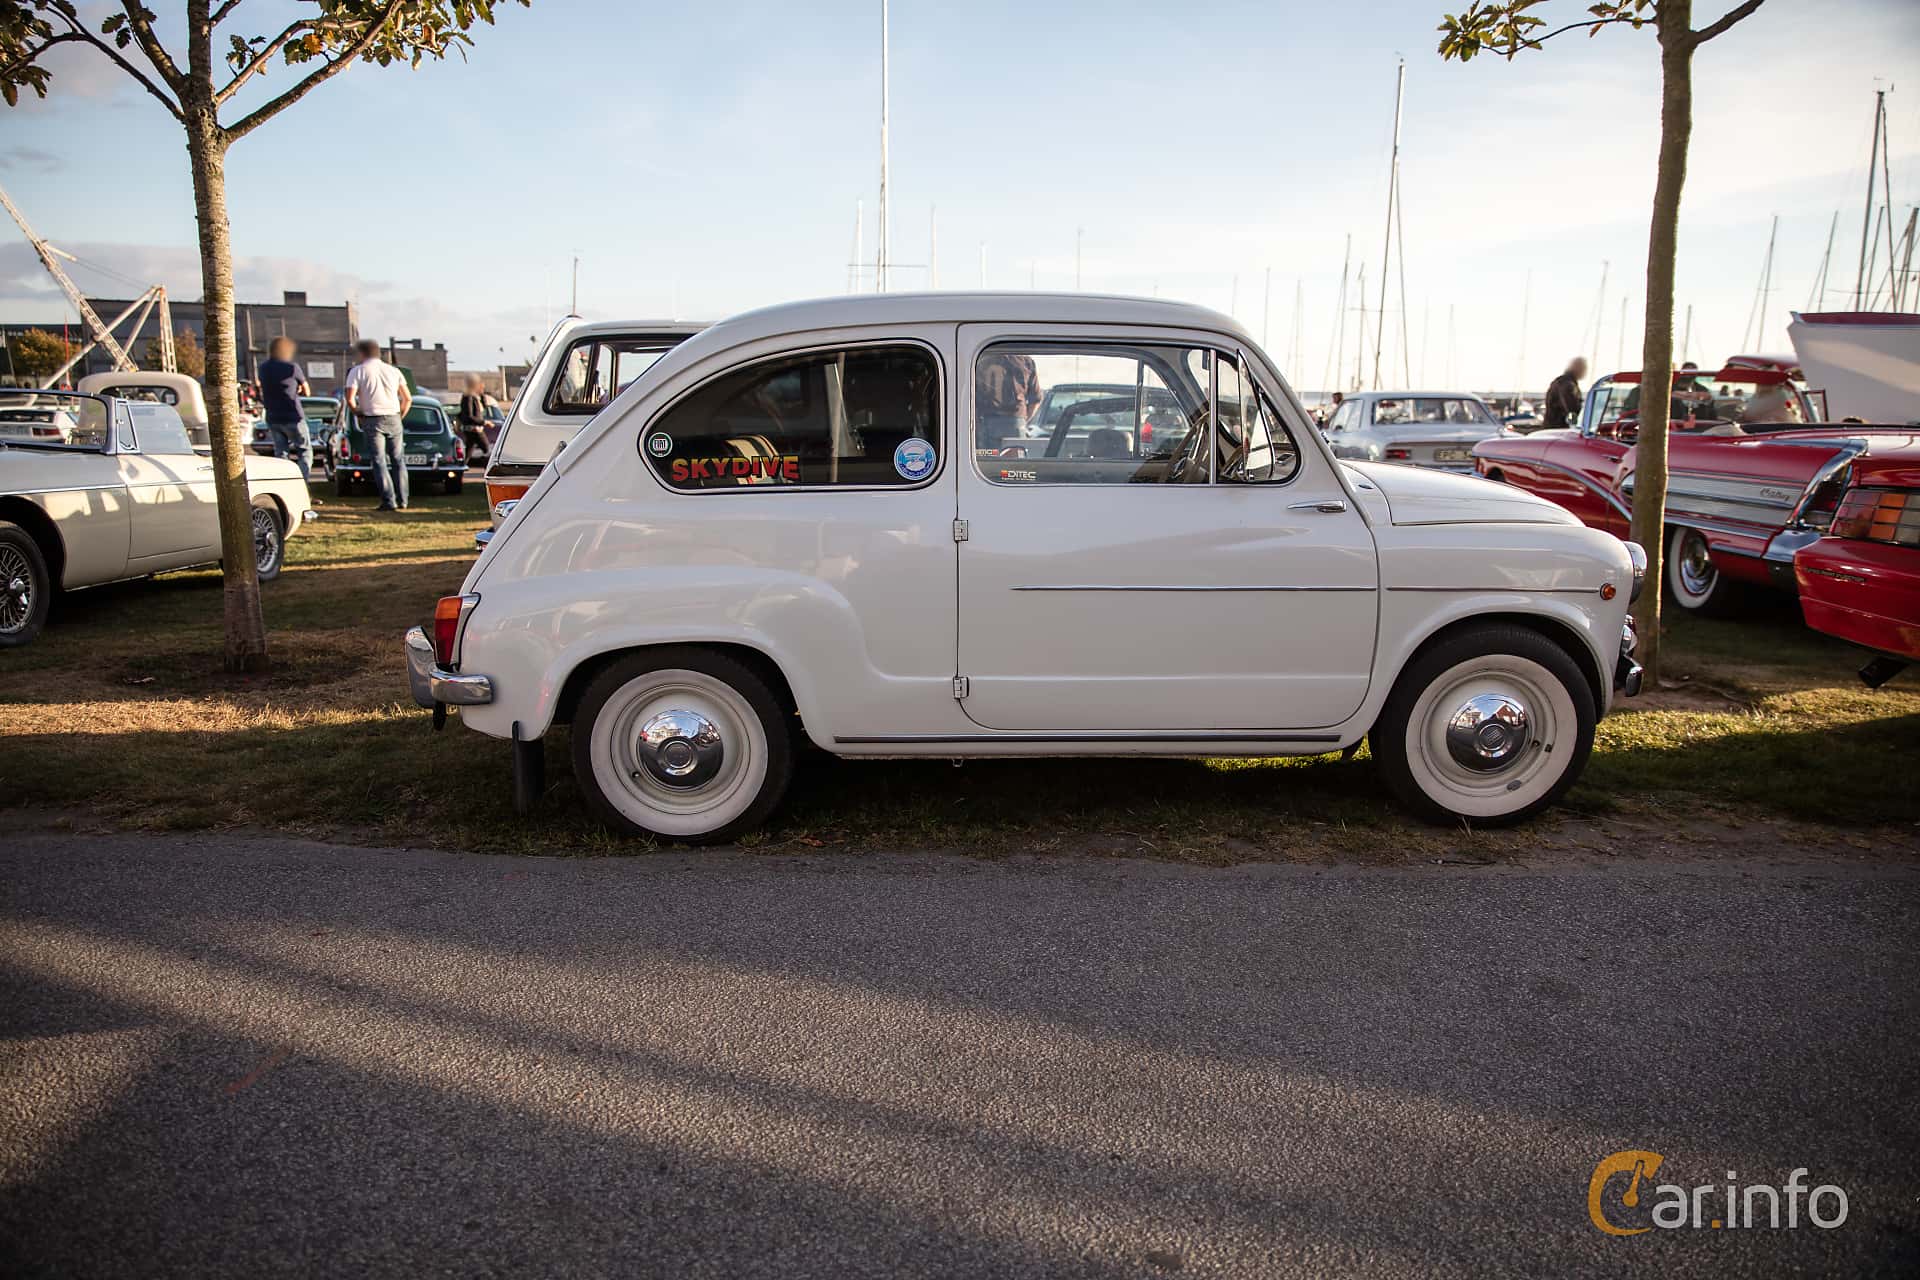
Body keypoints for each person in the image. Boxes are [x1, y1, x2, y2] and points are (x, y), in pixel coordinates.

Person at [344, 338, 413, 511]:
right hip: (394, 416)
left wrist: (358, 413)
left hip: (372, 418)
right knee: (398, 460)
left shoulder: (357, 371)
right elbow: (407, 398)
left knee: (379, 461)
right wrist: (400, 416)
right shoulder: (393, 371)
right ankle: (403, 499)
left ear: (362, 353)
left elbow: (350, 399)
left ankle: (389, 500)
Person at [254, 337, 312, 479]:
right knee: (304, 451)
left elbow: (260, 389)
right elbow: (307, 392)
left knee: (281, 453)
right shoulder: (292, 368)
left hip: (273, 417)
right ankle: (302, 483)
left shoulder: (263, 368)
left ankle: (285, 483)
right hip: (293, 416)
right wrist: (297, 389)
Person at [974, 350, 1041, 451]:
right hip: (1015, 422)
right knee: (1014, 465)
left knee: (987, 463)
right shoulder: (1025, 361)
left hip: (987, 421)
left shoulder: (981, 361)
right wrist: (1023, 421)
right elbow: (1035, 400)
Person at [1543, 357, 1587, 431]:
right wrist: (1576, 425)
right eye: (1584, 369)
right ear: (1578, 368)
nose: (1585, 372)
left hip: (1552, 428)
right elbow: (1571, 409)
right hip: (1558, 429)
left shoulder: (1562, 382)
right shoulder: (1567, 384)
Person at [456, 373, 491, 460]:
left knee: (469, 451)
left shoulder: (475, 397)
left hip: (473, 429)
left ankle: (461, 468)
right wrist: (484, 422)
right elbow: (469, 416)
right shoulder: (468, 397)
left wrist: (482, 393)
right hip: (474, 429)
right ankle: (488, 470)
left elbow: (485, 406)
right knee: (486, 449)